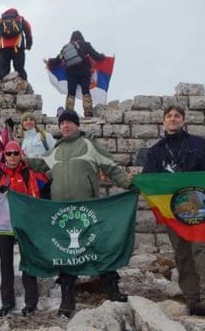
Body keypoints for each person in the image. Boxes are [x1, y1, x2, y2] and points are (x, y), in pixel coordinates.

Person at [25, 110, 131, 318]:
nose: (65, 126)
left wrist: (129, 183)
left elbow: (110, 167)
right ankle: (67, 300)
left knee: (96, 247)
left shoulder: (90, 144)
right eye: (62, 123)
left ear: (77, 125)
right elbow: (38, 163)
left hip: (87, 209)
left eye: (69, 123)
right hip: (62, 211)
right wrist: (19, 158)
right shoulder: (55, 149)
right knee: (66, 252)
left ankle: (112, 290)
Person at [142, 105, 205, 317]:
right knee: (182, 254)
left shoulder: (198, 144)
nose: (173, 119)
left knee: (203, 250)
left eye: (177, 116)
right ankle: (192, 300)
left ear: (183, 121)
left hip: (199, 207)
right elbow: (148, 179)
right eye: (169, 116)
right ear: (163, 121)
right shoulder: (156, 151)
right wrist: (133, 183)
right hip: (173, 212)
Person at [0, 141, 41, 317]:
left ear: (20, 155)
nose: (12, 157)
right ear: (4, 155)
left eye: (15, 153)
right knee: (5, 263)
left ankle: (31, 301)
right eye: (9, 153)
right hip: (4, 223)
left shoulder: (27, 173)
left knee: (27, 262)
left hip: (23, 223)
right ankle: (7, 302)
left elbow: (34, 197)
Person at [47, 30, 105, 117]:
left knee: (71, 92)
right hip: (84, 72)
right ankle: (88, 112)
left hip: (71, 73)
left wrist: (49, 62)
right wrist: (102, 56)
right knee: (85, 91)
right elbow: (96, 56)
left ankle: (69, 112)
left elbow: (57, 60)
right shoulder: (86, 45)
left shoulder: (66, 47)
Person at [0, 8, 33, 80]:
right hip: (18, 47)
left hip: (4, 48)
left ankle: (3, 87)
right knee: (19, 68)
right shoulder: (20, 19)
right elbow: (28, 31)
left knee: (4, 69)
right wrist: (28, 45)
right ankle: (23, 87)